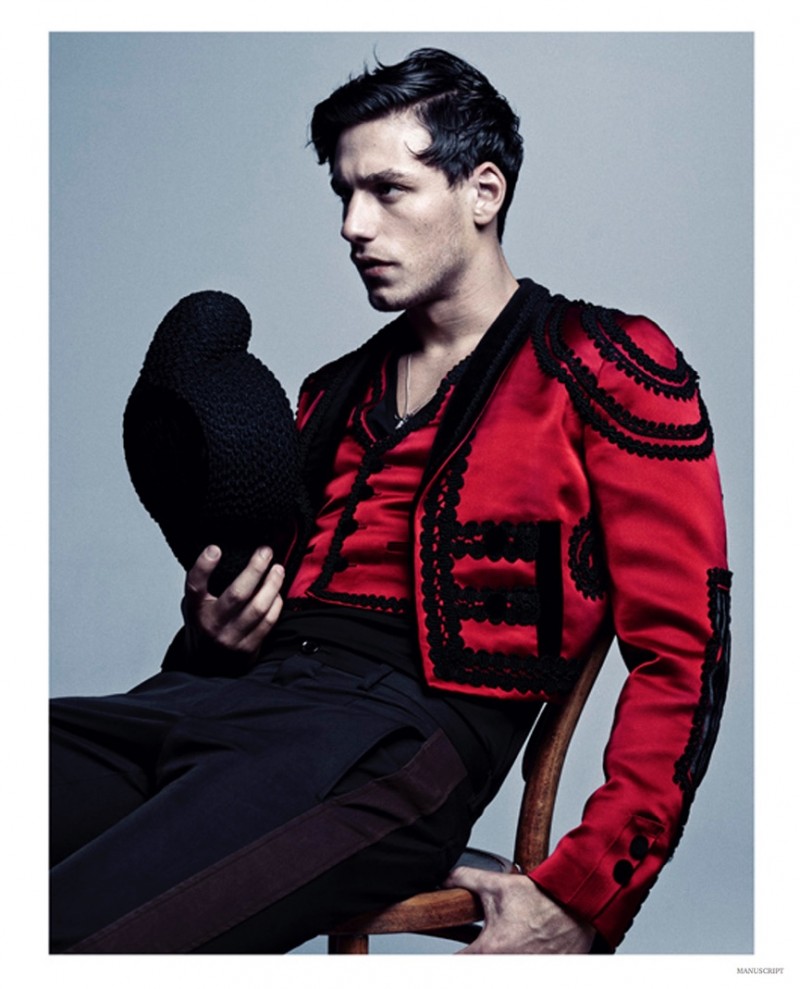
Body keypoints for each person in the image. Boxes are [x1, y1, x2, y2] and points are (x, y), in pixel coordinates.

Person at [49, 47, 731, 955]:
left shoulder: (608, 363)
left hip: (393, 740)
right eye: (344, 194)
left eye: (387, 191)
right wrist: (214, 631)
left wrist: (587, 893)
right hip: (212, 703)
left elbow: (684, 648)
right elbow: (257, 602)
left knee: (77, 931)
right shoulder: (327, 391)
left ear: (482, 191)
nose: (352, 225)